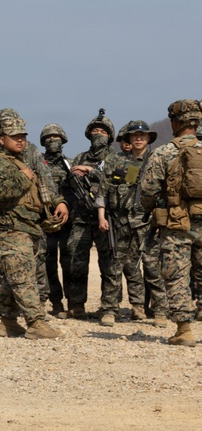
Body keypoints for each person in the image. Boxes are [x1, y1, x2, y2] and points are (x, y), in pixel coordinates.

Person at [0, 116, 64, 340]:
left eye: (23, 137)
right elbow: (1, 192)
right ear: (1, 139)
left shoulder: (20, 162)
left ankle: (8, 323)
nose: (20, 140)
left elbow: (41, 189)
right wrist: (24, 178)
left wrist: (57, 202)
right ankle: (36, 323)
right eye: (14, 137)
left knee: (12, 279)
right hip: (10, 230)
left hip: (26, 227)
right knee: (24, 280)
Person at [139, 100, 202, 346]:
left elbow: (148, 191)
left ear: (175, 122)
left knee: (177, 275)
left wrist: (151, 209)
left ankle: (184, 330)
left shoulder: (163, 152)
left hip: (177, 223)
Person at [61, 110, 123, 326]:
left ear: (110, 136)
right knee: (76, 261)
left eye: (103, 132)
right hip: (81, 217)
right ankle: (76, 305)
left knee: (109, 264)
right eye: (95, 131)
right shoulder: (79, 157)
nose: (99, 134)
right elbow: (69, 183)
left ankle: (109, 308)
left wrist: (90, 171)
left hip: (107, 218)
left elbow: (116, 178)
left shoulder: (116, 157)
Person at [108, 121, 164, 323]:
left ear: (148, 138)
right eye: (134, 136)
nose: (139, 138)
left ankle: (160, 310)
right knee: (122, 266)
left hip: (148, 223)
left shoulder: (156, 160)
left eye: (142, 135)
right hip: (122, 221)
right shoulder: (118, 161)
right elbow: (105, 188)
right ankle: (130, 307)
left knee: (152, 266)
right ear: (129, 139)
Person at [39, 123, 72, 317]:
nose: (53, 140)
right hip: (45, 220)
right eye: (49, 138)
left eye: (56, 137)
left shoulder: (70, 164)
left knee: (69, 263)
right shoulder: (38, 164)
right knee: (48, 263)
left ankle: (73, 303)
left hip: (68, 221)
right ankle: (55, 301)